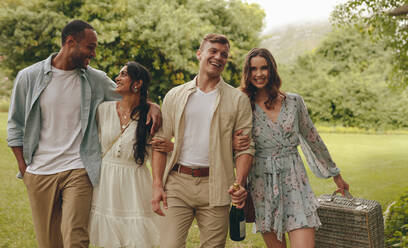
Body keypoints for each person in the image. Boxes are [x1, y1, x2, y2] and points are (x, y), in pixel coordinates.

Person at [7, 20, 161, 248]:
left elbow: (127, 97)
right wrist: (24, 168)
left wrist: (151, 105)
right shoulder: (29, 77)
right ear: (71, 42)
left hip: (78, 170)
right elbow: (15, 125)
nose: (94, 53)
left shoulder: (94, 78)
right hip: (40, 172)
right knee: (49, 242)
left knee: (76, 238)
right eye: (90, 47)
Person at [233, 48, 349, 248]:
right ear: (247, 72)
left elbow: (313, 138)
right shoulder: (243, 104)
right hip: (262, 182)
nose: (259, 74)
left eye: (264, 68)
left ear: (272, 70)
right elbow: (228, 138)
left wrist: (335, 173)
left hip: (295, 180)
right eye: (253, 69)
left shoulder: (294, 102)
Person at [150, 33, 255, 248]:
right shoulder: (175, 95)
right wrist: (157, 184)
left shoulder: (238, 100)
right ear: (200, 54)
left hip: (217, 186)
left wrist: (239, 184)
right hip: (178, 183)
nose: (218, 57)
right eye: (213, 51)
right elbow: (160, 143)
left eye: (224, 54)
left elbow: (246, 148)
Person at [89, 62, 166, 247]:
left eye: (123, 74)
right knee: (108, 237)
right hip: (106, 181)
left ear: (137, 83)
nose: (117, 78)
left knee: (135, 237)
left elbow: (157, 150)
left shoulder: (151, 116)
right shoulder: (103, 110)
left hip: (135, 183)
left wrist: (157, 184)